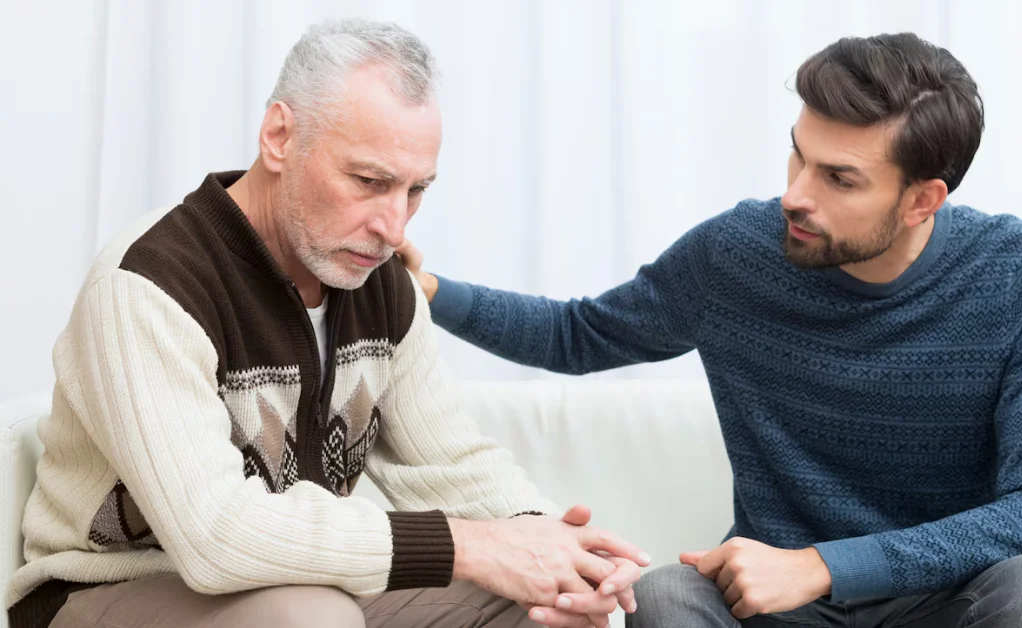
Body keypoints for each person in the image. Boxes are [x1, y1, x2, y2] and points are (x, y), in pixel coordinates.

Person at [401, 32, 1022, 627]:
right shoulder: (738, 255)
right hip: (779, 610)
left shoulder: (1019, 272)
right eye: (798, 155)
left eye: (839, 179)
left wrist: (823, 566)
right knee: (664, 595)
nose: (796, 192)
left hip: (941, 603)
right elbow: (576, 334)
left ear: (922, 201)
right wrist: (427, 291)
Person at [6, 19, 649, 628]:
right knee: (312, 617)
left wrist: (555, 550)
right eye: (370, 181)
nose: (395, 226)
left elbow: (452, 462)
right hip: (107, 593)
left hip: (304, 591)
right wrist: (471, 546)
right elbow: (214, 537)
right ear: (280, 137)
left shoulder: (378, 281)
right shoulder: (150, 283)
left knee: (538, 606)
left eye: (416, 189)